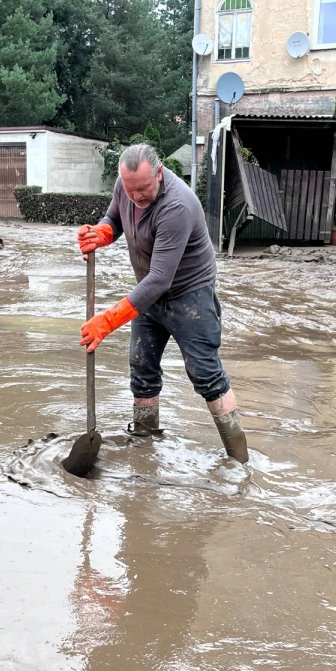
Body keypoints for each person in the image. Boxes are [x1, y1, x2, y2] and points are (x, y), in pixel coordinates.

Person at [77, 143, 249, 463]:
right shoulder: (126, 185)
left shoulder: (177, 206)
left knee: (206, 375)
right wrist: (103, 232)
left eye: (143, 190)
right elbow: (115, 216)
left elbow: (160, 279)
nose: (137, 198)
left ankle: (239, 460)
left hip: (189, 295)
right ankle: (145, 445)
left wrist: (108, 320)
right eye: (131, 191)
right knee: (141, 368)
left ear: (159, 173)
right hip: (149, 296)